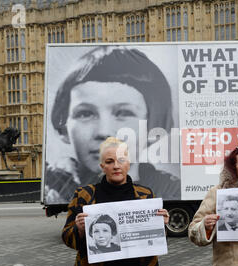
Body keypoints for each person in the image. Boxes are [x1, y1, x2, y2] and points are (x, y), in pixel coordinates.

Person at [45, 46, 180, 205]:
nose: (104, 131)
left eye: (123, 113)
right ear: (64, 128)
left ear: (153, 126)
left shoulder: (172, 190)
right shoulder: (55, 187)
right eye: (85, 114)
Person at [62, 137, 170, 266]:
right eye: (110, 161)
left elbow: (155, 242)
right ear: (102, 166)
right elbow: (67, 237)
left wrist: (162, 225)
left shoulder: (146, 195)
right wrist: (79, 229)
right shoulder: (84, 195)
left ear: (128, 163)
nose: (116, 166)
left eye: (121, 160)